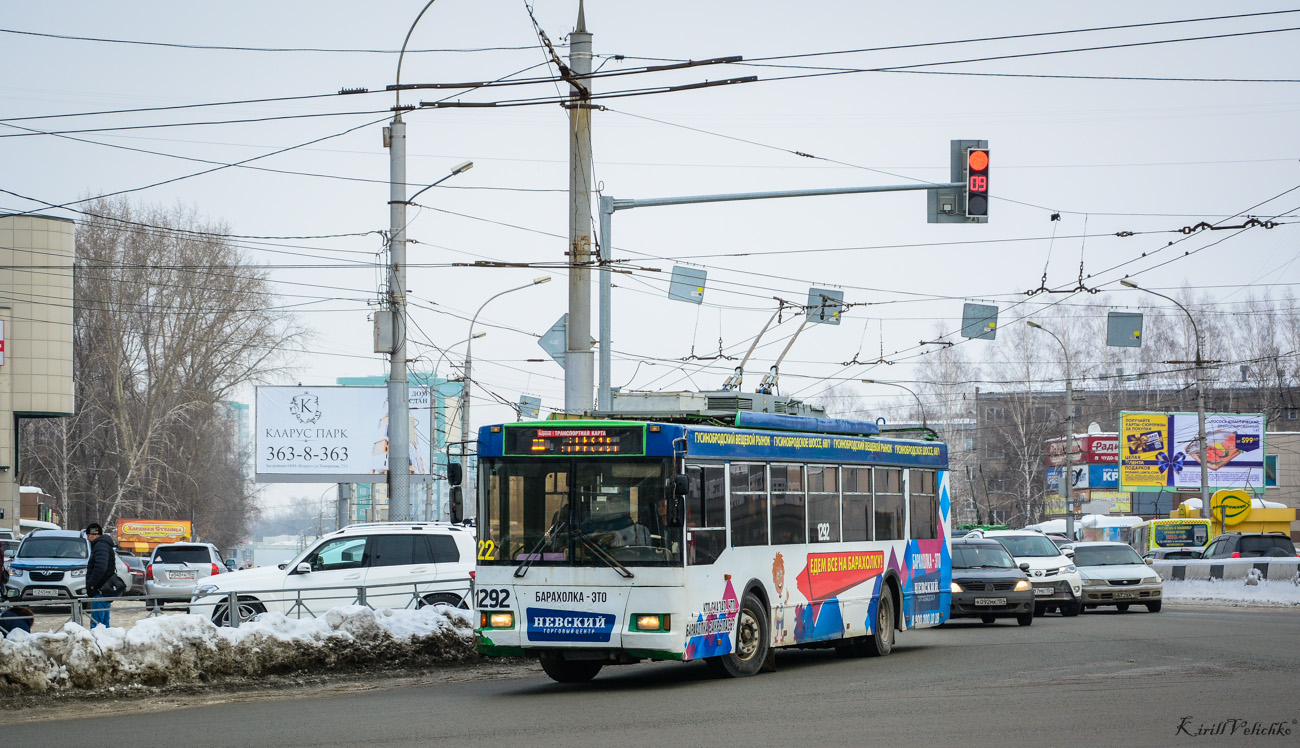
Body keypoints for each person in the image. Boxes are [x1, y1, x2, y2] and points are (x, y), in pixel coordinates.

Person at [84, 522, 117, 627]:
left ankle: (98, 642)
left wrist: (92, 583)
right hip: (105, 589)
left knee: (97, 625)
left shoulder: (100, 546)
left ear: (95, 535)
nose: (88, 538)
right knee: (104, 624)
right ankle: (106, 642)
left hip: (100, 590)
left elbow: (101, 567)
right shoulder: (104, 544)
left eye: (89, 535)